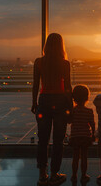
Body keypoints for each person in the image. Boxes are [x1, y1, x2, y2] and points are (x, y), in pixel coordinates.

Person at [31, 33, 72, 186]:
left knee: (42, 140)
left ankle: (42, 175)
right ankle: (54, 174)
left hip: (44, 101)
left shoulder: (38, 62)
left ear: (46, 45)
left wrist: (34, 103)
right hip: (60, 102)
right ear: (61, 45)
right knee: (58, 141)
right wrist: (70, 106)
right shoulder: (64, 63)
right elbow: (67, 88)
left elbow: (36, 85)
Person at [69, 85, 95, 184]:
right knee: (84, 157)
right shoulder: (89, 111)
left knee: (75, 157)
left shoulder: (73, 111)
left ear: (74, 98)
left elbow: (69, 121)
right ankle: (83, 175)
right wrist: (92, 135)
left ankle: (74, 175)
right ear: (87, 97)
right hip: (85, 136)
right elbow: (92, 124)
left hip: (75, 136)